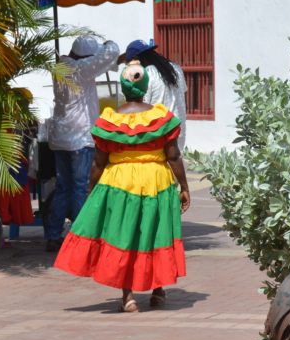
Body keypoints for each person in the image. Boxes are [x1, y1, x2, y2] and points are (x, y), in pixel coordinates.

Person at [53, 62, 190, 313]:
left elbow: (98, 161)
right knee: (155, 232)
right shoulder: (161, 118)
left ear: (123, 88)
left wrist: (91, 188)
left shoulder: (110, 121)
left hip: (119, 183)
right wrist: (184, 186)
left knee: (124, 234)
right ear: (145, 86)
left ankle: (128, 297)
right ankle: (158, 292)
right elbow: (173, 155)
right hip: (156, 181)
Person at [44, 35, 120, 252]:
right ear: (87, 57)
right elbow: (111, 52)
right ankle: (80, 237)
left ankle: (53, 235)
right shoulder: (80, 69)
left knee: (63, 188)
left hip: (59, 137)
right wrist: (107, 43)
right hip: (78, 138)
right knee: (80, 188)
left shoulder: (61, 67)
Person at [124, 39, 187, 152]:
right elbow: (183, 93)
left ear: (135, 59)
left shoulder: (146, 74)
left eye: (128, 63)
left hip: (159, 134)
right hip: (178, 131)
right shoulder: (176, 68)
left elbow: (141, 108)